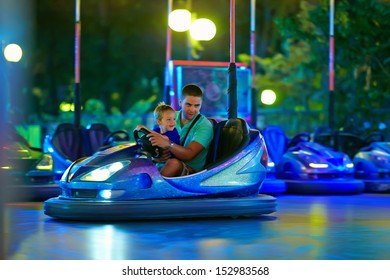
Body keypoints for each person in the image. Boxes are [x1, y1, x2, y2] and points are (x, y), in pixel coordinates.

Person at [147, 84, 214, 177]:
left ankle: (155, 190)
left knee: (174, 163)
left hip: (192, 172)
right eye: (188, 105)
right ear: (180, 102)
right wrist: (157, 156)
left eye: (197, 106)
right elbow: (155, 137)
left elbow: (189, 155)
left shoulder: (204, 126)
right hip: (165, 163)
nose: (192, 109)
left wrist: (168, 144)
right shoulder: (171, 116)